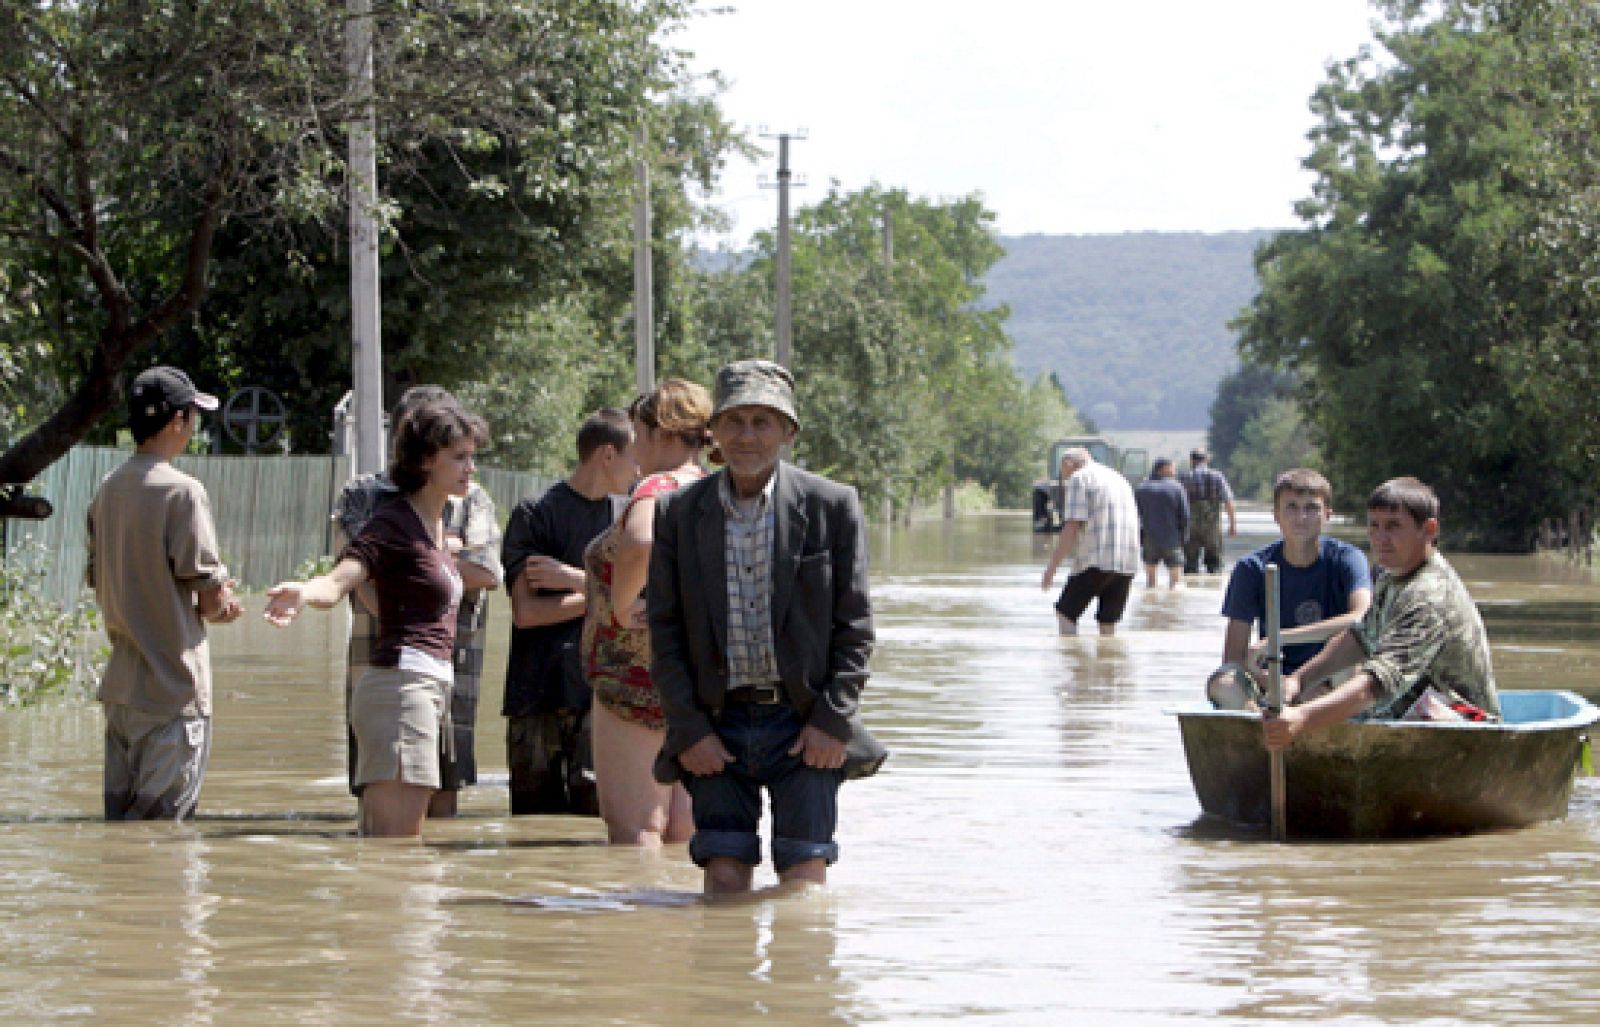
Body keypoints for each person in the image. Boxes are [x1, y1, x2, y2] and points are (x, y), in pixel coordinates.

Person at [649, 359, 886, 895]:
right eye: (735, 421)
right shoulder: (678, 514)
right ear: (713, 431)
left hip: (805, 726)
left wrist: (832, 721)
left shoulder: (833, 506)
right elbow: (664, 634)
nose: (747, 436)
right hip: (717, 722)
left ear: (788, 431)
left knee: (804, 881)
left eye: (763, 422)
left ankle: (798, 982)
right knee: (724, 877)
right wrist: (689, 731)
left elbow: (856, 629)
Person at [264, 397, 490, 838]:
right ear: (426, 461)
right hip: (400, 690)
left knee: (394, 856)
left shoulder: (436, 527)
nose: (470, 468)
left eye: (472, 457)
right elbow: (341, 580)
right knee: (396, 855)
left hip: (422, 687)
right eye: (459, 457)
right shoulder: (394, 524)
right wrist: (303, 592)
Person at [331, 385, 502, 819]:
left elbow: (489, 572)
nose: (468, 465)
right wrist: (435, 555)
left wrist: (435, 558)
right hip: (387, 663)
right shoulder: (366, 497)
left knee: (442, 793)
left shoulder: (471, 497)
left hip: (452, 664)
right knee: (388, 810)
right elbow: (360, 574)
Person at [87, 366, 244, 821]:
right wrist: (225, 603)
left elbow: (105, 578)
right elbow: (213, 603)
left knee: (122, 834)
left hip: (121, 694)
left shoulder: (107, 489)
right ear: (177, 421)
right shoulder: (183, 492)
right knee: (162, 842)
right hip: (173, 692)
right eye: (193, 416)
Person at [1263, 476, 1499, 752]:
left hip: (1468, 727)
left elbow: (1376, 684)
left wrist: (1302, 718)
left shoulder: (1428, 596)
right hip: (1412, 714)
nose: (1380, 538)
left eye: (1393, 527)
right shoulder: (1391, 573)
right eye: (1374, 526)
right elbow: (1360, 638)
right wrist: (1299, 679)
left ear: (1429, 529)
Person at [583, 380, 711, 846]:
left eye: (637, 432)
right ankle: (686, 918)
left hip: (634, 674)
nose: (634, 446)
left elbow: (639, 541)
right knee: (684, 831)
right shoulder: (715, 488)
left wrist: (620, 607)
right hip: (696, 676)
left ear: (663, 434)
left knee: (636, 828)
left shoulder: (659, 484)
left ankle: (638, 919)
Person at [500, 408, 636, 815]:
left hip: (600, 695)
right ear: (607, 455)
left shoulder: (629, 519)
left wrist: (575, 579)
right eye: (634, 457)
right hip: (535, 694)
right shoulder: (534, 513)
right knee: (532, 828)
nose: (638, 469)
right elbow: (526, 613)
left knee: (598, 828)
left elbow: (640, 606)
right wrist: (606, 594)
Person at [1206, 468, 1371, 710]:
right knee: (1223, 683)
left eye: (1311, 508)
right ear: (1276, 515)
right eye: (1291, 507)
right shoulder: (1251, 568)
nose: (1301, 517)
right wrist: (1271, 683)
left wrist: (1279, 639)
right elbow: (1234, 655)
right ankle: (1258, 724)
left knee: (1349, 663)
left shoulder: (1348, 559)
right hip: (1272, 679)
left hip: (1328, 676)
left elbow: (1362, 617)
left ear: (1327, 515)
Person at [1040, 447, 1141, 636]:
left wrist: (1051, 568)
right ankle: (1109, 663)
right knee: (1107, 624)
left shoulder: (1079, 478)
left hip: (1096, 560)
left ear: (1068, 464)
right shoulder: (1119, 479)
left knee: (1065, 614)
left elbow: (1072, 526)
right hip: (1127, 563)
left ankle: (1071, 661)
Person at [1177, 447, 1237, 575]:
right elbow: (1228, 501)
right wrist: (1232, 525)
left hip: (1190, 528)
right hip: (1212, 527)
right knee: (1215, 566)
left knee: (1190, 566)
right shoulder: (1217, 476)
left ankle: (1190, 591)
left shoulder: (1184, 477)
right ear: (1207, 460)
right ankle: (1215, 588)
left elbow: (1176, 504)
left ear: (1191, 460)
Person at [1132, 458, 1190, 590]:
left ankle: (1150, 604)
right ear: (1163, 469)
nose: (1174, 471)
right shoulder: (1177, 488)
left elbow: (1134, 516)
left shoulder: (1141, 488)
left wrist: (1138, 537)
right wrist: (1184, 537)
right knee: (1175, 585)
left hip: (1149, 539)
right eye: (1172, 467)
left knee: (1150, 584)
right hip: (1172, 539)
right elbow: (1185, 516)